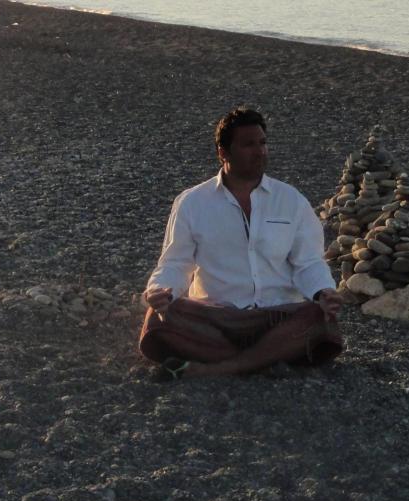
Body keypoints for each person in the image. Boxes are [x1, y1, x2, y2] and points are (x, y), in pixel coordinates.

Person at [139, 107, 345, 379]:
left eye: (262, 143)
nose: (260, 152)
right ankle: (267, 359)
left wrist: (324, 292)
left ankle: (221, 367)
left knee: (319, 318)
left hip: (276, 315)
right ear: (223, 152)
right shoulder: (192, 203)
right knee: (156, 320)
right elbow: (176, 262)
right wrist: (160, 292)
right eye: (248, 145)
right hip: (217, 318)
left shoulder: (291, 200)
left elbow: (308, 262)